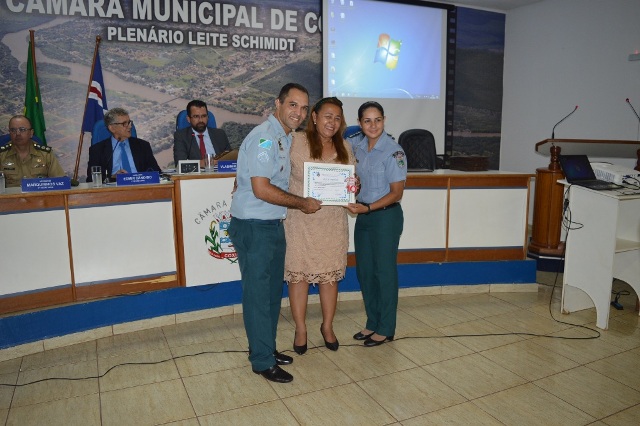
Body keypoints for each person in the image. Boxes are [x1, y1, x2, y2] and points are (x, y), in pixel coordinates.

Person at [228, 83, 322, 384]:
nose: (299, 113)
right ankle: (261, 361)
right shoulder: (266, 137)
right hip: (255, 227)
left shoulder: (284, 136)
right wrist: (303, 203)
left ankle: (264, 347)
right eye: (293, 105)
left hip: (271, 224)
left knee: (270, 295)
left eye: (304, 108)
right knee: (258, 296)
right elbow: (262, 188)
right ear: (278, 104)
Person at [285, 97, 354, 355]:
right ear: (314, 117)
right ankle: (300, 329)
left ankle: (327, 327)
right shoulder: (296, 142)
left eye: (337, 118)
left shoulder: (345, 147)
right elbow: (275, 171)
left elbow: (351, 182)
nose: (332, 122)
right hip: (300, 222)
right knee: (299, 277)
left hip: (332, 223)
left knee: (329, 278)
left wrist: (354, 187)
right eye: (327, 116)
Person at [346, 101, 407, 347]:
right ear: (359, 123)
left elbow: (397, 193)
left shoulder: (394, 151)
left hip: (385, 217)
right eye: (367, 121)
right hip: (364, 216)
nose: (373, 125)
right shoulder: (355, 147)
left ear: (384, 120)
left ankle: (386, 327)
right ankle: (372, 322)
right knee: (365, 272)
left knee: (384, 272)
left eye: (378, 120)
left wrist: (369, 207)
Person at [87, 107, 160, 182]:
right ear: (112, 128)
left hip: (140, 186)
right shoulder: (97, 150)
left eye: (129, 122)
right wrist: (112, 178)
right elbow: (91, 179)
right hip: (114, 188)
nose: (130, 126)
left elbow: (156, 171)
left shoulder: (143, 146)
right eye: (124, 124)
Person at [0, 115, 65, 187]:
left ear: (31, 133)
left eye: (22, 129)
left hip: (39, 194)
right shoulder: (2, 155)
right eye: (13, 130)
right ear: (10, 133)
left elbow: (60, 182)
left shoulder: (46, 155)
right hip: (10, 194)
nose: (17, 134)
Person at [173, 99, 231, 166]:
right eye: (196, 116)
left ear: (207, 117)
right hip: (195, 173)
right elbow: (180, 163)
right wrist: (207, 163)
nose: (200, 120)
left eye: (203, 116)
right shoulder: (181, 136)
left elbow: (230, 159)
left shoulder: (220, 134)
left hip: (220, 171)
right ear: (188, 119)